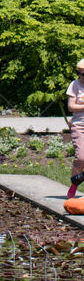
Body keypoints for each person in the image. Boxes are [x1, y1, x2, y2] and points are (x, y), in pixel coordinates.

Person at [66, 58, 84, 199]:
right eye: (81, 74)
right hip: (80, 125)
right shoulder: (74, 85)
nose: (82, 77)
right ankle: (74, 184)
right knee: (81, 157)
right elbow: (71, 107)